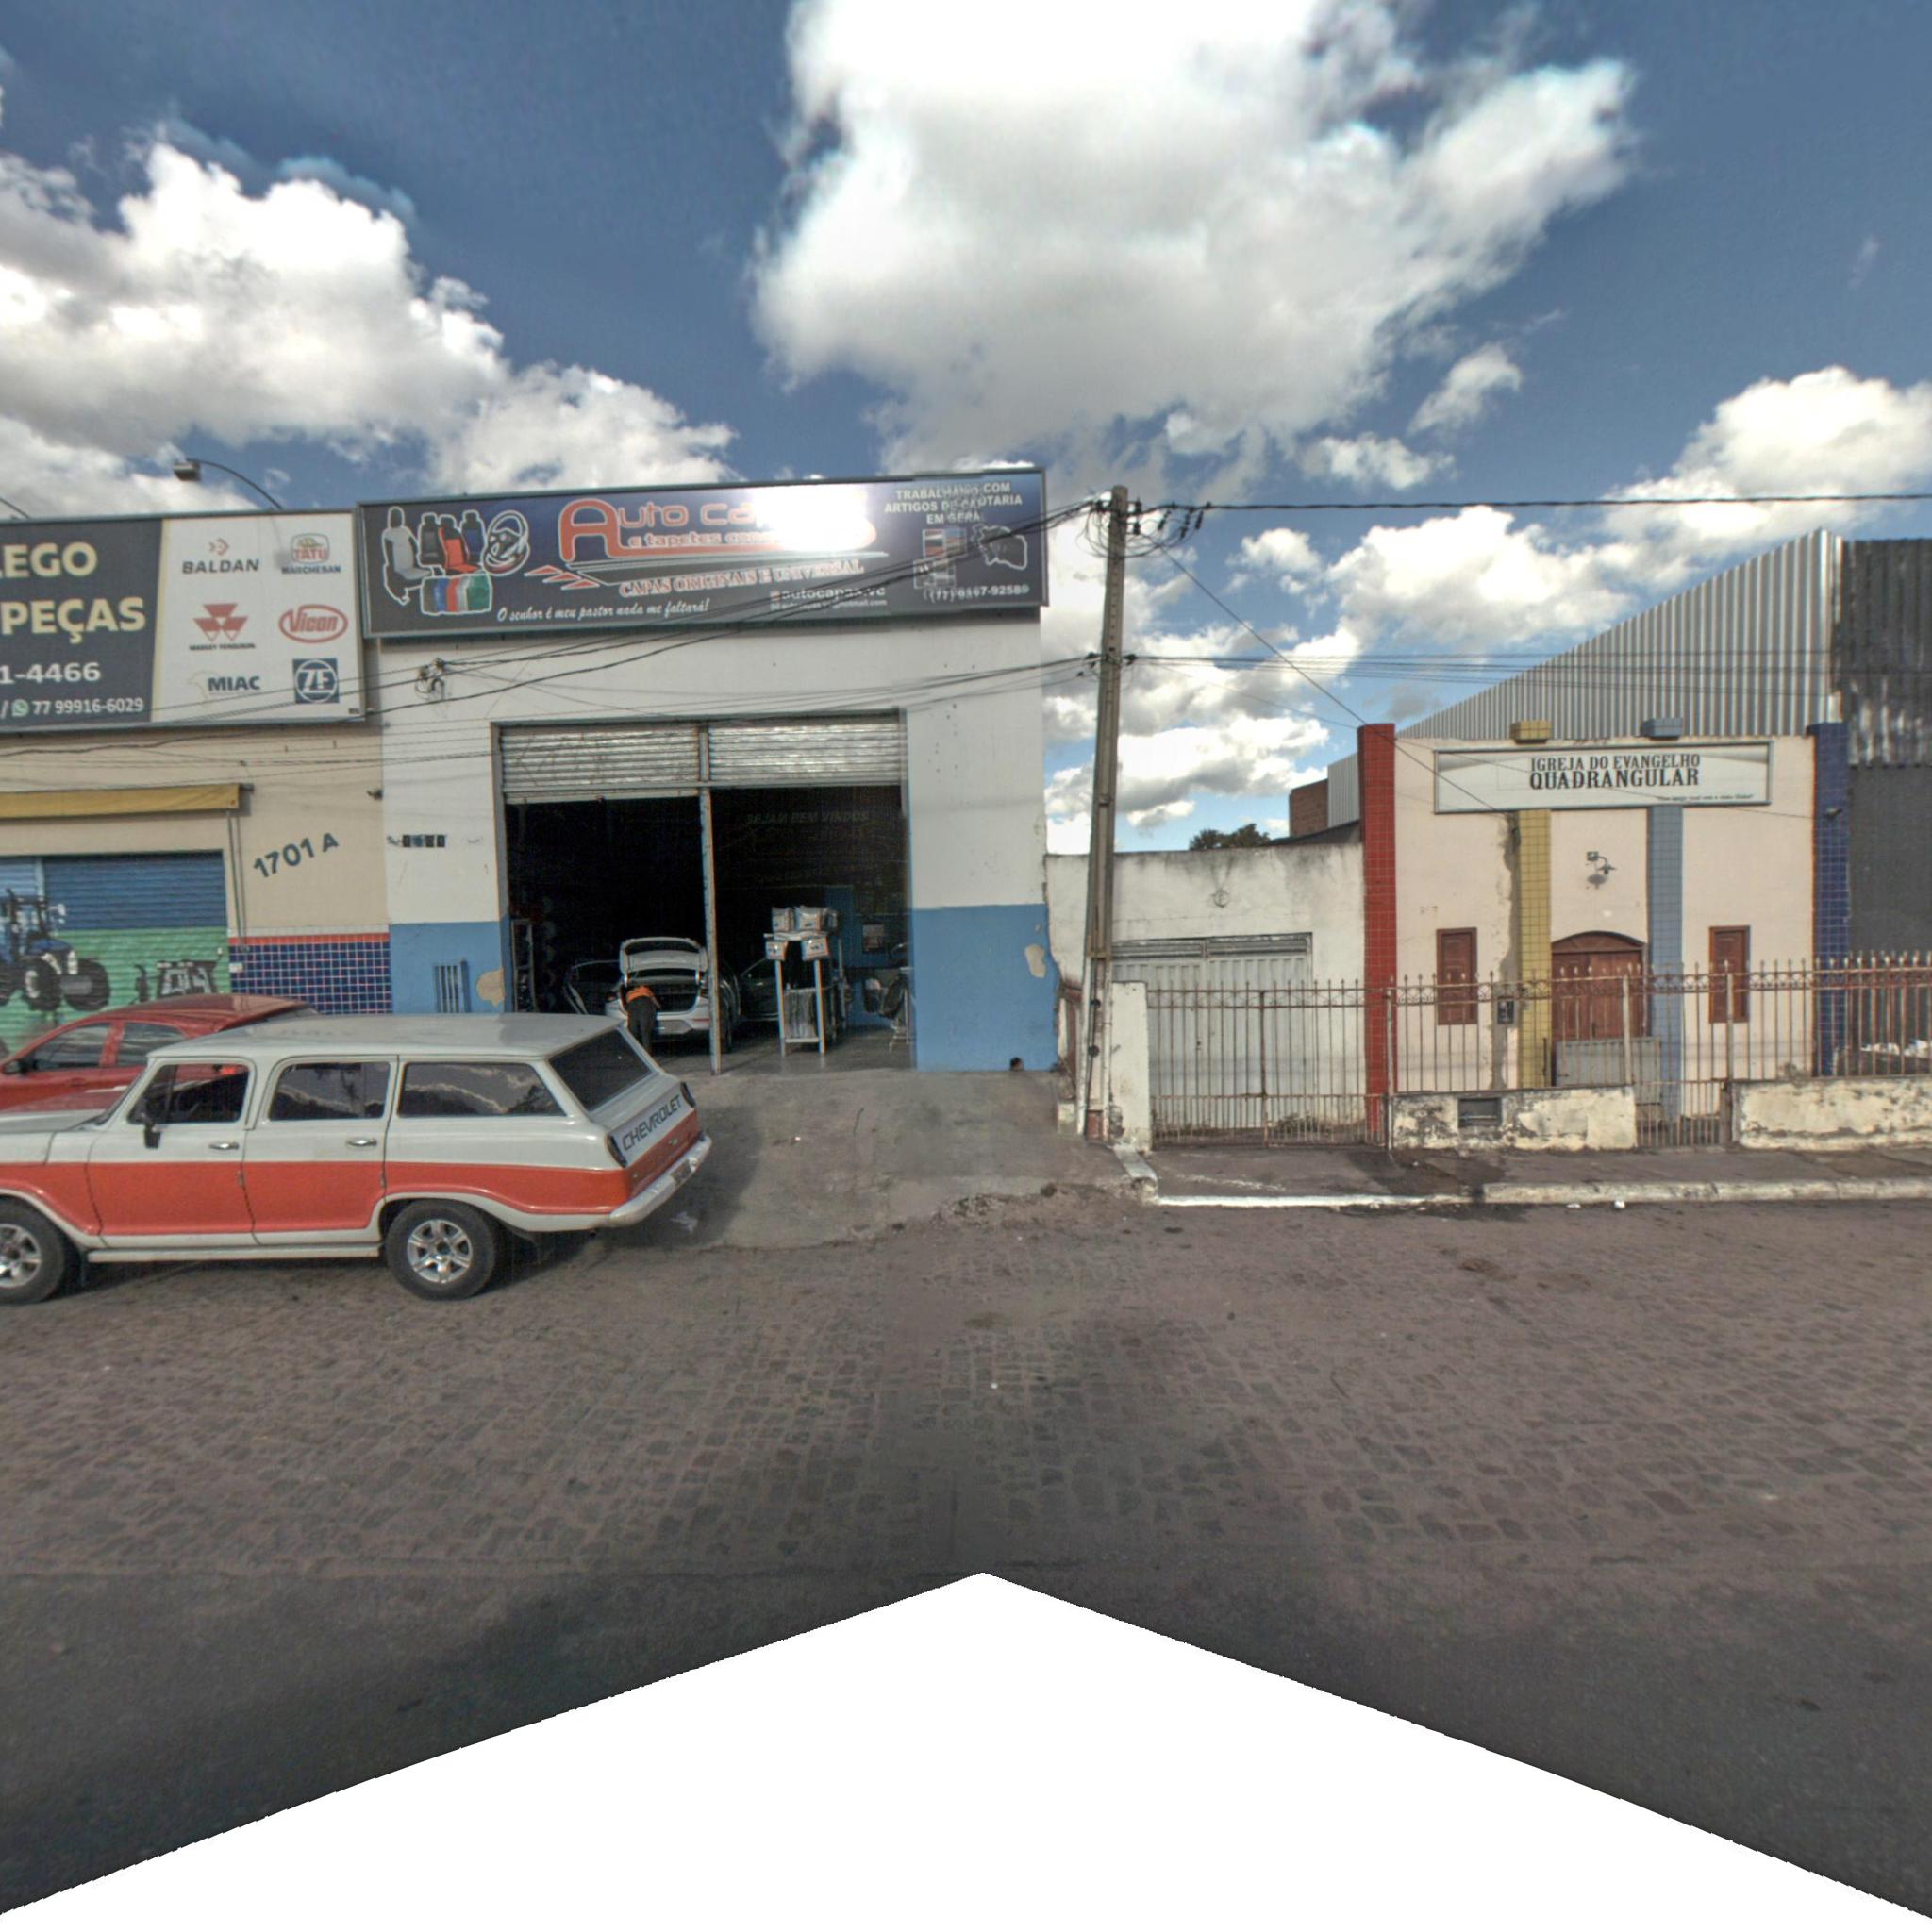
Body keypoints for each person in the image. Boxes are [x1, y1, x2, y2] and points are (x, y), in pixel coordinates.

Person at [622, 975, 659, 1047]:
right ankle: (646, 1050)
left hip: (632, 1005)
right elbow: (653, 1000)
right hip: (644, 1003)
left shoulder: (629, 993)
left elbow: (627, 1005)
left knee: (633, 1030)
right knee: (645, 1029)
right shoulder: (645, 989)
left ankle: (635, 1048)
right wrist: (659, 1007)